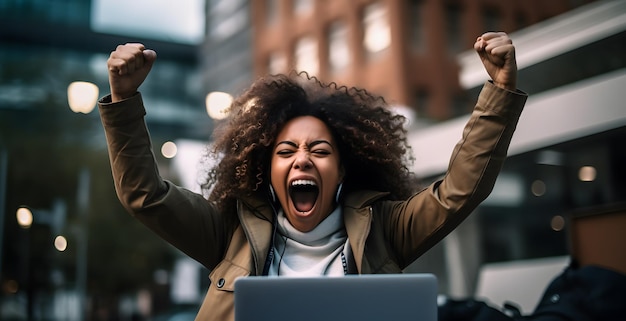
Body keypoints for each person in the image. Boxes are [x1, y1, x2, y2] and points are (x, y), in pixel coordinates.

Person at [98, 32, 527, 320]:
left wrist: (499, 92)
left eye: (319, 150)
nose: (302, 158)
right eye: (286, 151)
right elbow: (146, 196)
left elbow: (459, 191)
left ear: (342, 170)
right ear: (266, 171)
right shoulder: (226, 233)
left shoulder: (387, 229)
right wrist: (124, 100)